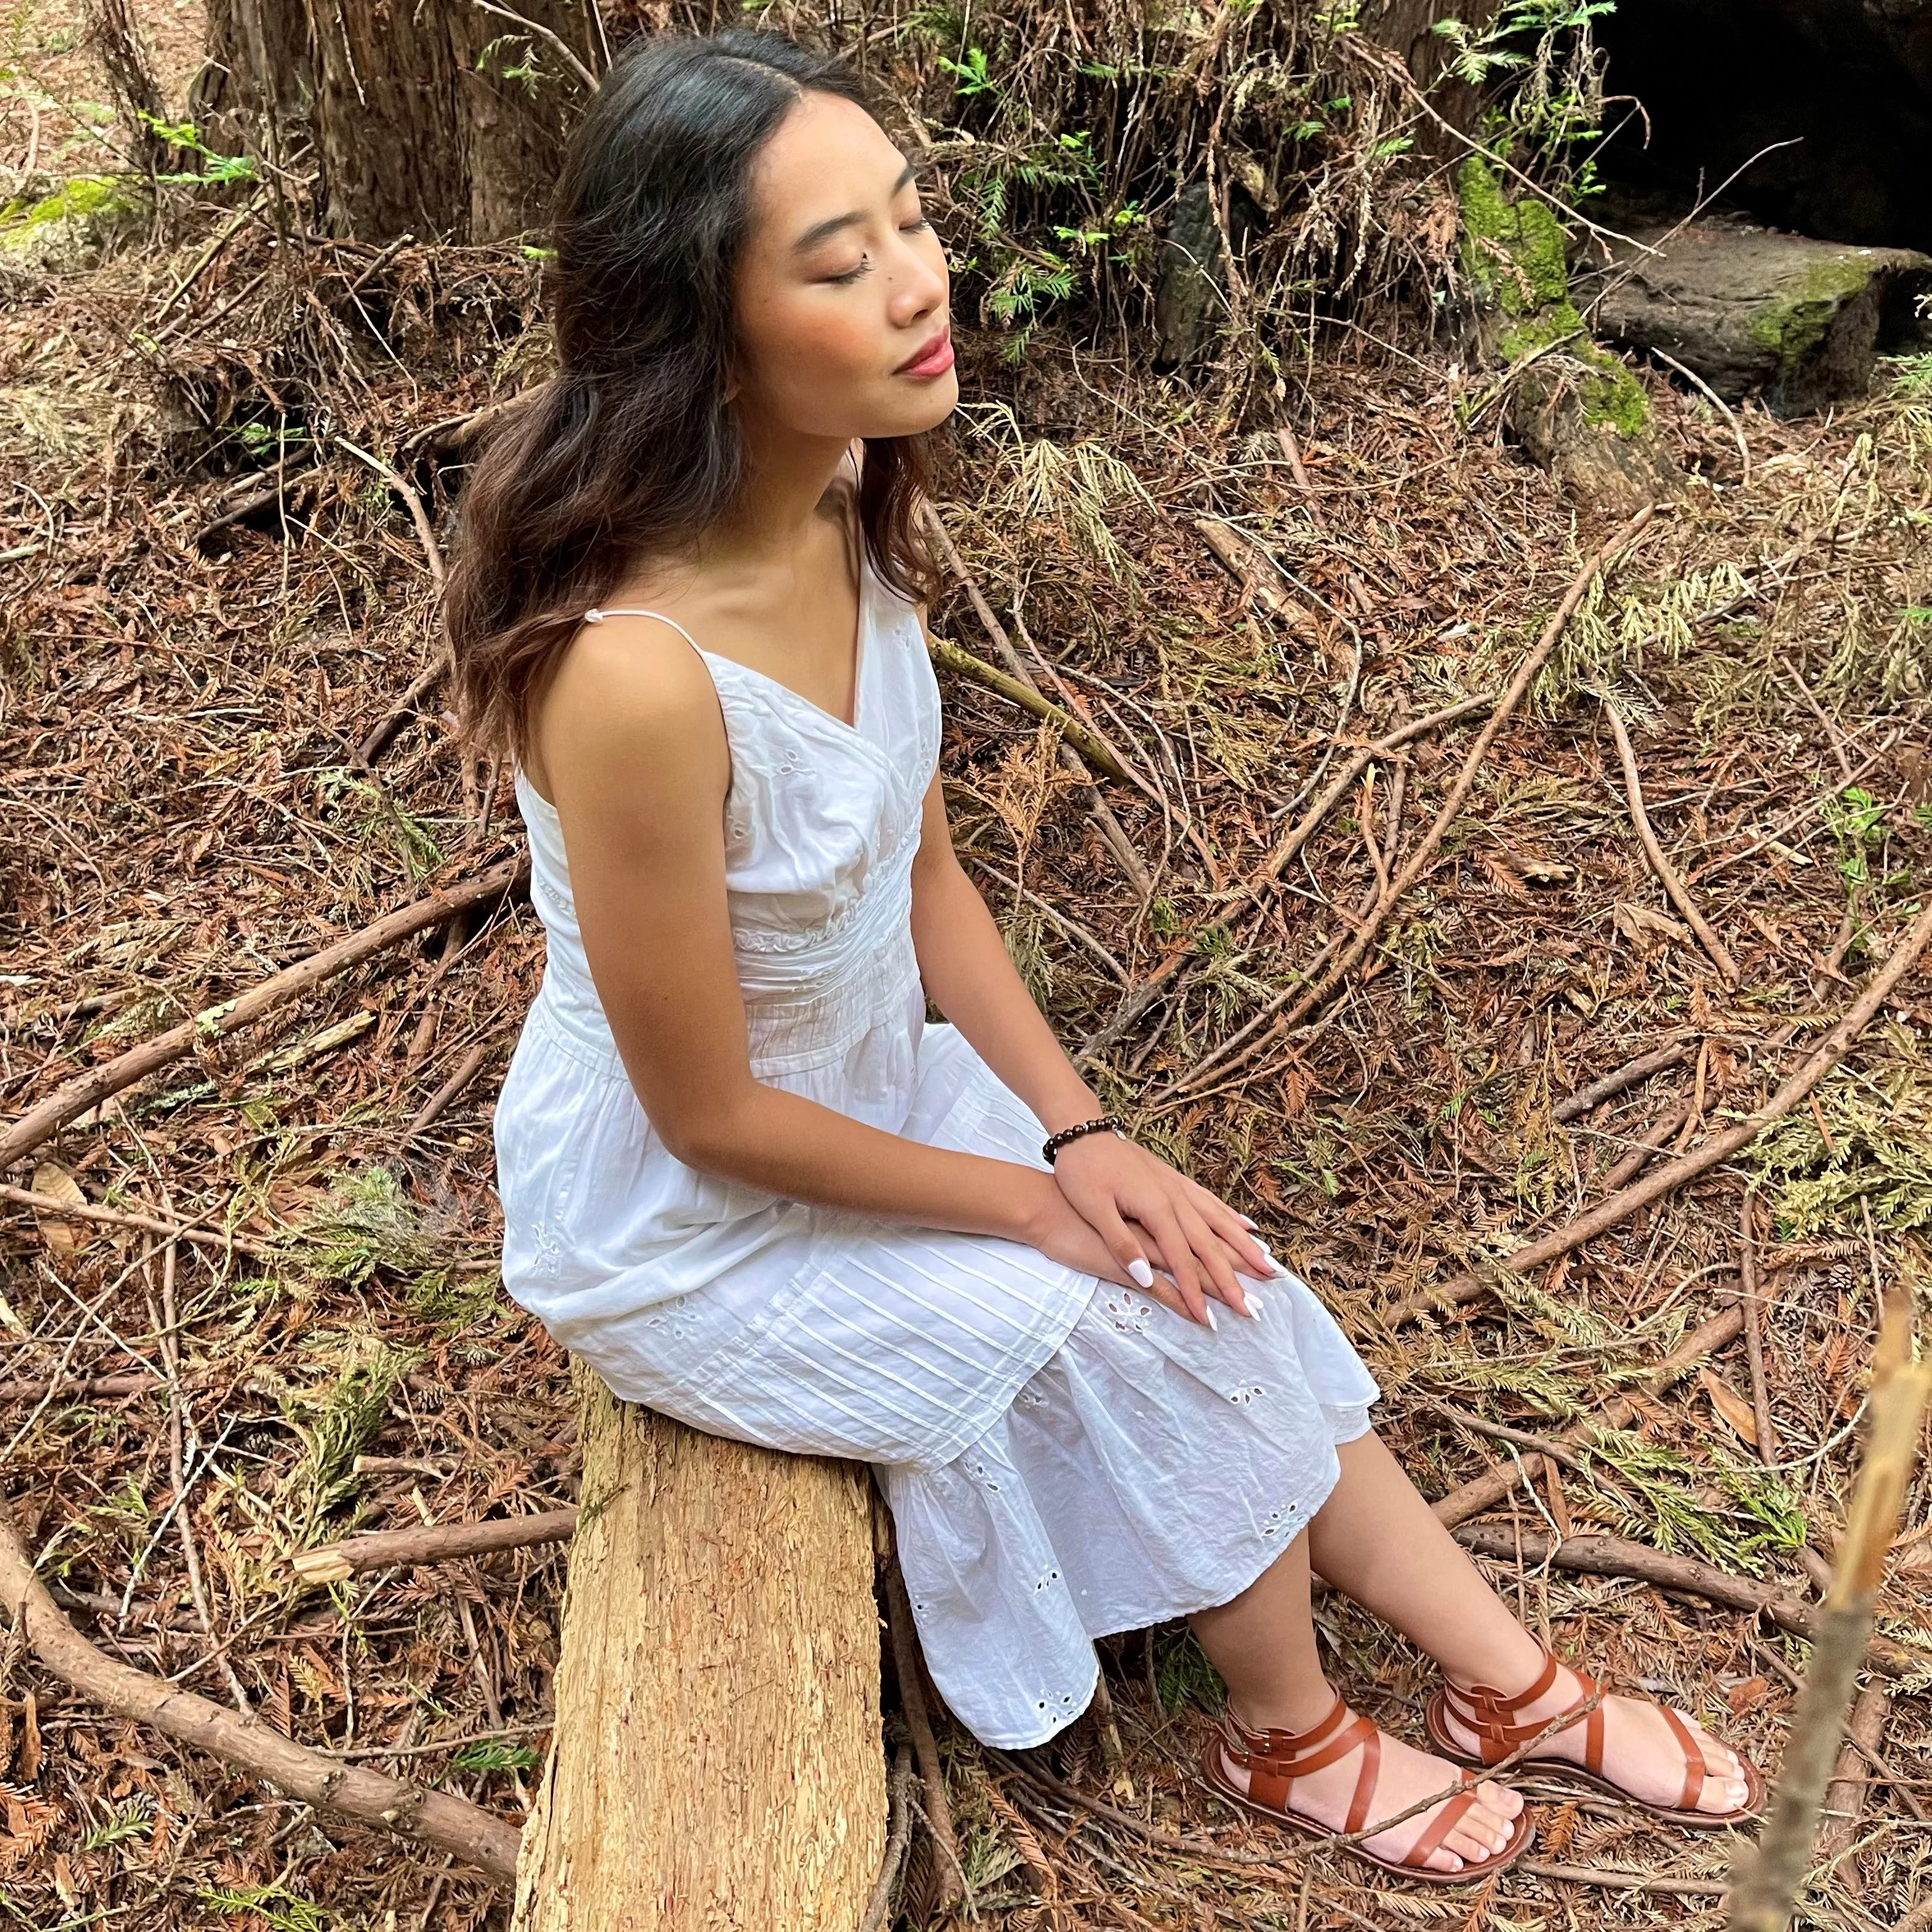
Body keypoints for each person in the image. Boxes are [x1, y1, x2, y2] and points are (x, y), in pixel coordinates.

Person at [445, 27, 1762, 1885]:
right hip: (690, 1218)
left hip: (870, 1092)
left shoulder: (835, 508)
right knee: (1111, 1313)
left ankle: (1504, 1680)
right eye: (837, 261)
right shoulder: (634, 675)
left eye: (910, 222)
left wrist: (1079, 1137)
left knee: (1201, 1264)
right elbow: (711, 1112)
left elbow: (926, 889)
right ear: (695, 320)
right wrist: (1025, 1205)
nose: (917, 285)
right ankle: (1284, 1734)